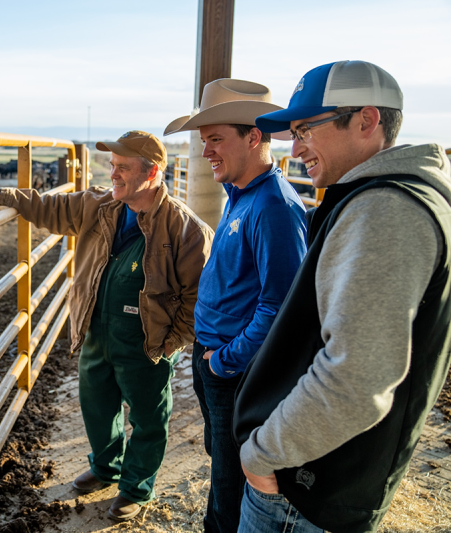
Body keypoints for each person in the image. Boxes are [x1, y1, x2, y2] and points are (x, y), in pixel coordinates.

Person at [234, 60, 451, 533]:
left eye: (307, 129)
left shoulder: (385, 209)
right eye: (292, 133)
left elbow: (356, 378)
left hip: (306, 488)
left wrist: (263, 454)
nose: (295, 148)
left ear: (367, 121)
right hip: (318, 476)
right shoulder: (392, 198)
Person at [0, 131, 213, 521]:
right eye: (112, 166)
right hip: (97, 330)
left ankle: (136, 487)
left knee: (149, 416)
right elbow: (50, 207)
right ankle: (106, 467)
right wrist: (5, 196)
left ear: (151, 172)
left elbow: (197, 296)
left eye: (123, 168)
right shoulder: (99, 204)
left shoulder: (185, 230)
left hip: (147, 341)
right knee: (96, 405)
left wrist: (171, 343)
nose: (113, 174)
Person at [164, 78, 308, 532]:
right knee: (222, 464)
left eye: (216, 139)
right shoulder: (242, 195)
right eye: (204, 141)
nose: (206, 152)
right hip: (215, 359)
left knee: (230, 480)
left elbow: (280, 306)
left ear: (253, 136)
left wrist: (225, 362)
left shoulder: (274, 208)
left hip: (235, 368)